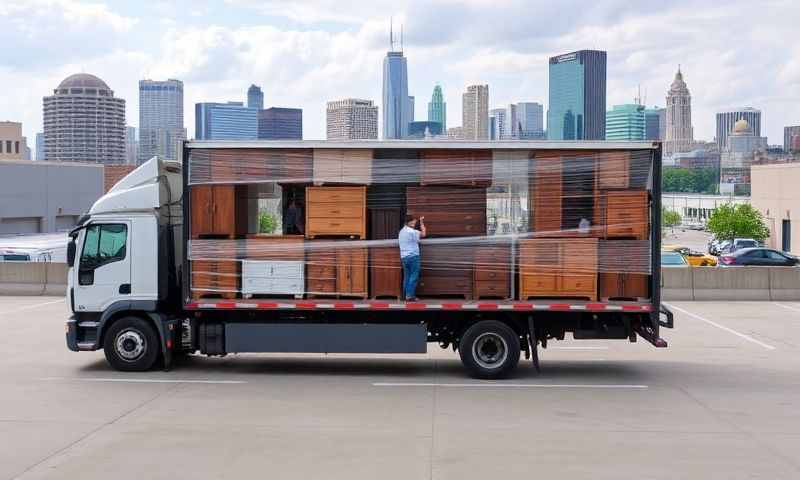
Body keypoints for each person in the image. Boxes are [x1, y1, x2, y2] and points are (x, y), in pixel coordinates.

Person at [398, 214, 426, 301]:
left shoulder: (401, 231)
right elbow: (424, 234)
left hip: (404, 257)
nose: (414, 222)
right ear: (408, 222)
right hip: (413, 257)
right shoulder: (412, 232)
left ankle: (404, 295)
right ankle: (409, 296)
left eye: (415, 221)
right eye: (413, 221)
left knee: (407, 276)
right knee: (414, 276)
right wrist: (422, 223)